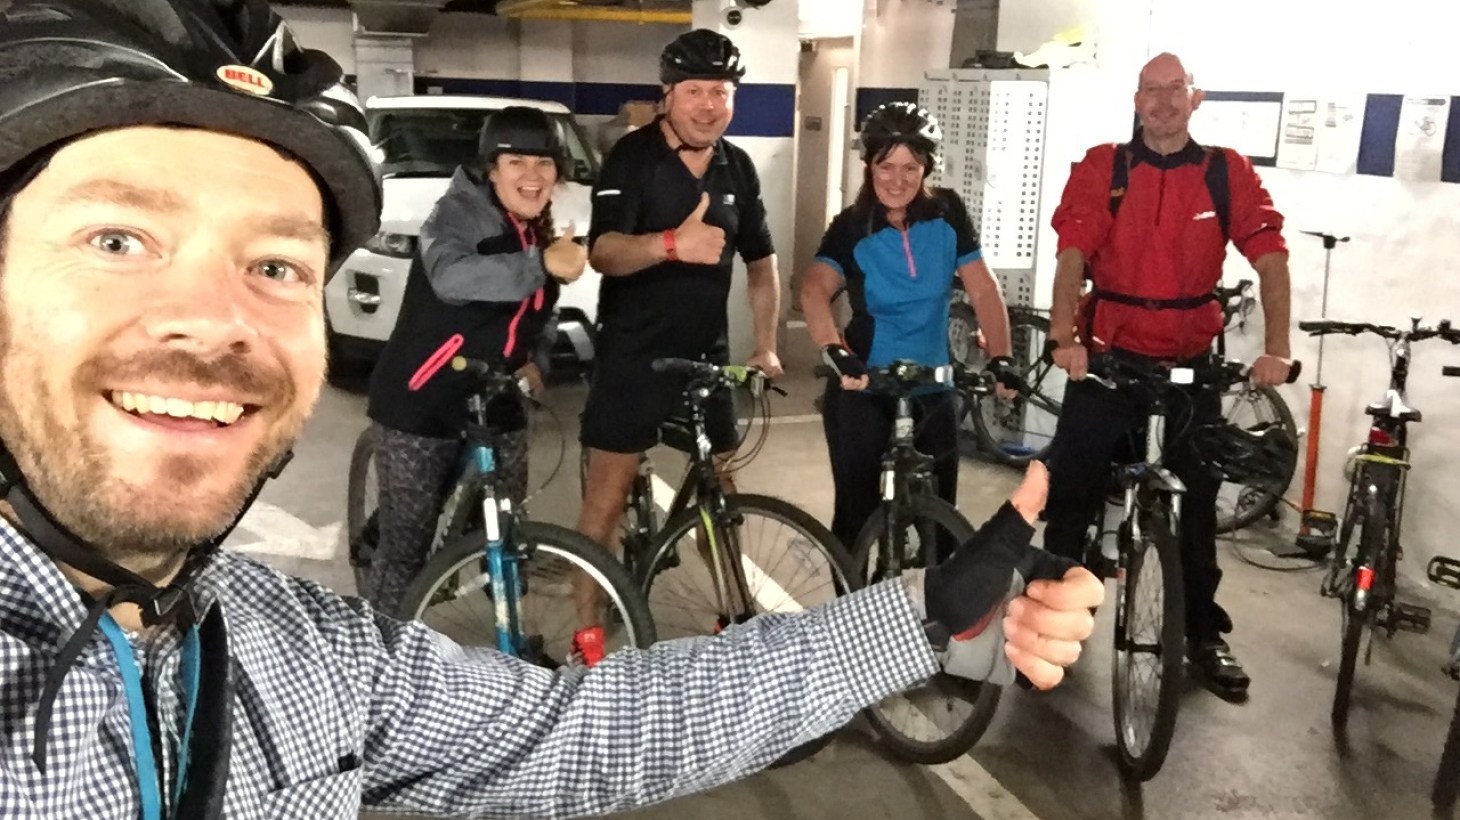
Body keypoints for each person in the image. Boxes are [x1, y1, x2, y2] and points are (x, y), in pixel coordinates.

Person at [0, 2, 1102, 816]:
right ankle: (546, 595)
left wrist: (920, 611)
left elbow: (609, 730)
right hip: (481, 393)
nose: (212, 325)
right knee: (489, 519)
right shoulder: (563, 193)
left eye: (278, 265)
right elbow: (517, 278)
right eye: (117, 240)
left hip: (632, 374)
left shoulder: (305, 663)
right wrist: (617, 256)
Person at [1044, 52, 1293, 699]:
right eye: (1150, 91)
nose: (1162, 102)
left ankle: (1203, 633)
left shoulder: (1224, 173)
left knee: (1200, 505)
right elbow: (1072, 251)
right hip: (1109, 358)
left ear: (1195, 97)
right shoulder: (1107, 166)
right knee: (1070, 490)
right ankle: (1049, 624)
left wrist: (1278, 346)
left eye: (1173, 90)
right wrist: (1063, 337)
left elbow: (1269, 257)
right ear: (1136, 99)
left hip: (1190, 366)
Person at [573, 30, 784, 649]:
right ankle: (583, 638)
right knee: (605, 503)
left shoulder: (737, 166)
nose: (709, 104)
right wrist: (672, 244)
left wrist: (766, 344)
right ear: (668, 96)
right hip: (633, 354)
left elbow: (762, 265)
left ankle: (734, 616)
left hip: (705, 356)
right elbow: (603, 254)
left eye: (721, 91)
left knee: (722, 499)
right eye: (695, 90)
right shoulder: (631, 158)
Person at [363, 106, 587, 617]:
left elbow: (541, 308)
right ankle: (383, 663)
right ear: (492, 168)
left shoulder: (538, 225)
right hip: (423, 399)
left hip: (496, 393)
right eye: (517, 162)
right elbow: (451, 278)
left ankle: (509, 644)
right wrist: (539, 264)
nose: (533, 176)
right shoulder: (457, 215)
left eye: (545, 163)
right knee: (407, 551)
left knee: (507, 534)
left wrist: (536, 359)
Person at [801, 101, 1023, 553]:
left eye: (911, 167)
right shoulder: (850, 227)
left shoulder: (948, 214)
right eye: (886, 166)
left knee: (942, 530)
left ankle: (930, 618)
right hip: (865, 383)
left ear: (926, 169)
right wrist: (835, 349)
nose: (897, 180)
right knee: (856, 516)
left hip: (932, 384)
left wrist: (1001, 357)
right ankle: (853, 608)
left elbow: (982, 289)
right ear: (869, 165)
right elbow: (814, 290)